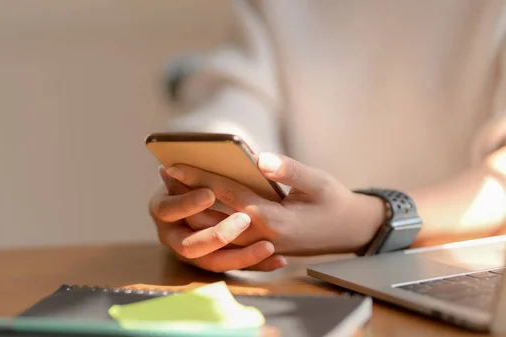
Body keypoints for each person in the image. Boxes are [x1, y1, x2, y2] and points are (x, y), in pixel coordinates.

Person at [149, 0, 506, 273]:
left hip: (457, 272)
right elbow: (240, 96)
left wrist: (365, 219)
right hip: (297, 279)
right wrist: (209, 199)